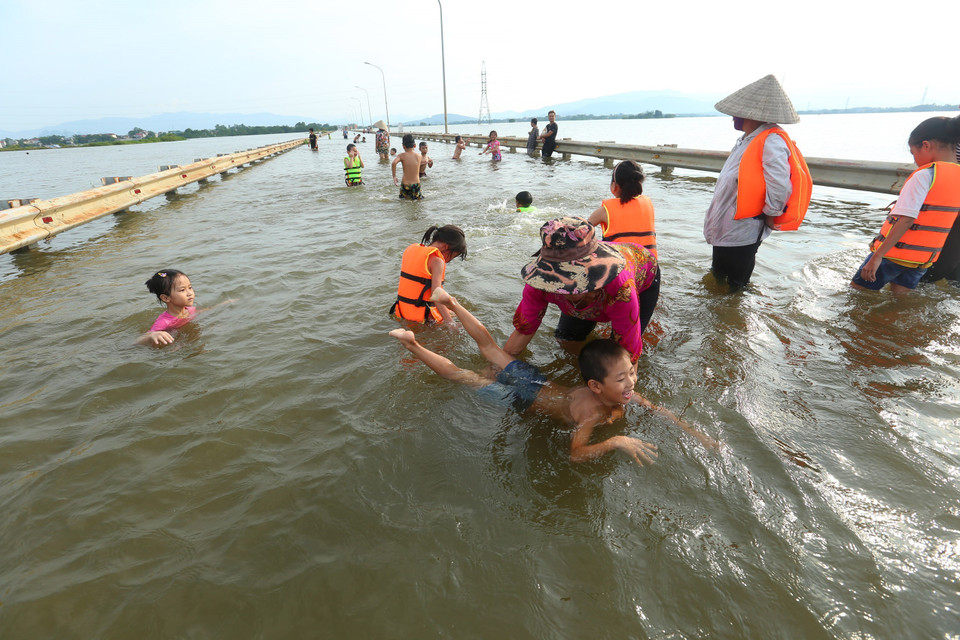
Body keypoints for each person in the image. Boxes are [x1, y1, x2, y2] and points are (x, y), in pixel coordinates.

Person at [390, 288, 715, 464]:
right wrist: (617, 440)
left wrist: (697, 435)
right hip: (522, 397)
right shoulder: (592, 413)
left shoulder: (623, 392)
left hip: (537, 380)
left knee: (491, 349)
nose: (631, 382)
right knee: (463, 376)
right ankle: (413, 345)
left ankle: (451, 301)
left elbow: (660, 411)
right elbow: (576, 454)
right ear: (595, 386)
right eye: (622, 379)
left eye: (631, 372)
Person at [703, 74, 812, 292]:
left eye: (737, 113)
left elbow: (779, 184)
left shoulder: (771, 140)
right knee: (717, 276)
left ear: (751, 114)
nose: (733, 117)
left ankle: (733, 321)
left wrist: (771, 214)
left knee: (736, 286)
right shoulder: (749, 138)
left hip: (743, 228)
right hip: (728, 225)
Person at [503, 217, 659, 364]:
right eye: (560, 280)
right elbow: (523, 330)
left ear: (592, 272)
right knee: (566, 340)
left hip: (644, 273)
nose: (567, 289)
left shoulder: (621, 288)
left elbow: (628, 353)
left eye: (573, 277)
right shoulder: (541, 282)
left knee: (616, 355)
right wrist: (496, 368)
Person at [852, 115, 960, 292]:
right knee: (899, 302)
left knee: (857, 292)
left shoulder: (924, 175)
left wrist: (877, 257)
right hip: (922, 261)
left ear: (925, 145)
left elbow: (906, 219)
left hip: (893, 256)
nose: (915, 160)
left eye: (913, 153)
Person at [390, 225, 467, 324]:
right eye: (452, 257)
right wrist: (450, 322)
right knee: (457, 322)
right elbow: (436, 295)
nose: (447, 261)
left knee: (453, 311)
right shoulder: (437, 261)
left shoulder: (411, 250)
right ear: (446, 247)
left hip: (402, 312)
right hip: (424, 319)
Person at [136, 270, 231, 346]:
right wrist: (151, 336)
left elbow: (203, 312)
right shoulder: (164, 322)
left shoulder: (189, 310)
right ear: (166, 298)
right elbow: (137, 342)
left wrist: (224, 304)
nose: (189, 293)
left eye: (190, 287)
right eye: (182, 290)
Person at [392, 134, 423, 200]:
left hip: (405, 184)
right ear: (415, 145)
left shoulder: (401, 155)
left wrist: (394, 176)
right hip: (416, 183)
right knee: (417, 201)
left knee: (403, 201)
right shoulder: (419, 156)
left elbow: (394, 163)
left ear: (403, 146)